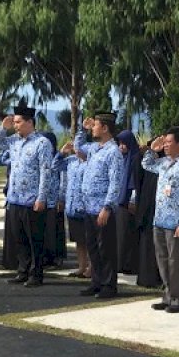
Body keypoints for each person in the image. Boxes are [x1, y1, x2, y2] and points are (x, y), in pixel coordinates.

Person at [0, 104, 52, 287]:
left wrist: (41, 197)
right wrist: (4, 127)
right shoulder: (14, 141)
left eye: (18, 122)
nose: (15, 125)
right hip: (15, 197)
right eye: (14, 122)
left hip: (32, 199)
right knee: (20, 239)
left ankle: (37, 273)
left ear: (29, 122)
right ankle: (22, 271)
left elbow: (45, 171)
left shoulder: (42, 143)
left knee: (35, 240)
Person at [142, 127, 179, 313]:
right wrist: (152, 149)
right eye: (164, 142)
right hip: (159, 219)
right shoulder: (164, 162)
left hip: (176, 222)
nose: (165, 145)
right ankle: (167, 295)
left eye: (168, 142)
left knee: (177, 262)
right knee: (163, 259)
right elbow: (147, 165)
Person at [74, 112, 123, 298]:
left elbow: (115, 182)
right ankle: (96, 282)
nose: (92, 127)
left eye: (95, 125)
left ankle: (109, 285)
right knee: (93, 247)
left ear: (105, 128)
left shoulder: (113, 152)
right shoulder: (95, 148)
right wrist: (82, 129)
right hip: (88, 206)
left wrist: (108, 206)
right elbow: (78, 148)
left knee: (106, 249)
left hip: (102, 208)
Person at [52, 142, 91, 278]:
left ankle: (91, 268)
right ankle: (81, 266)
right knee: (79, 240)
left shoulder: (92, 162)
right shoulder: (71, 161)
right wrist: (62, 153)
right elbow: (55, 166)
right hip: (72, 206)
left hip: (86, 207)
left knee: (89, 239)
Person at [134, 138, 162, 288]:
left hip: (152, 212)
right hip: (149, 212)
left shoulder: (163, 167)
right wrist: (151, 151)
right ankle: (149, 278)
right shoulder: (154, 167)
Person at [115, 130, 141, 275]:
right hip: (118, 202)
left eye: (124, 143)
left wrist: (132, 200)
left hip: (128, 202)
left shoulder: (134, 159)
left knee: (128, 235)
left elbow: (134, 181)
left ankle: (129, 264)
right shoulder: (121, 159)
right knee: (120, 235)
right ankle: (120, 263)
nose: (121, 147)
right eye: (119, 143)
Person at [41, 132, 67, 269]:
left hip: (54, 199)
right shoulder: (42, 155)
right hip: (43, 199)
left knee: (55, 230)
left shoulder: (59, 156)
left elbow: (63, 179)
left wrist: (61, 198)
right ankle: (45, 257)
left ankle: (56, 257)